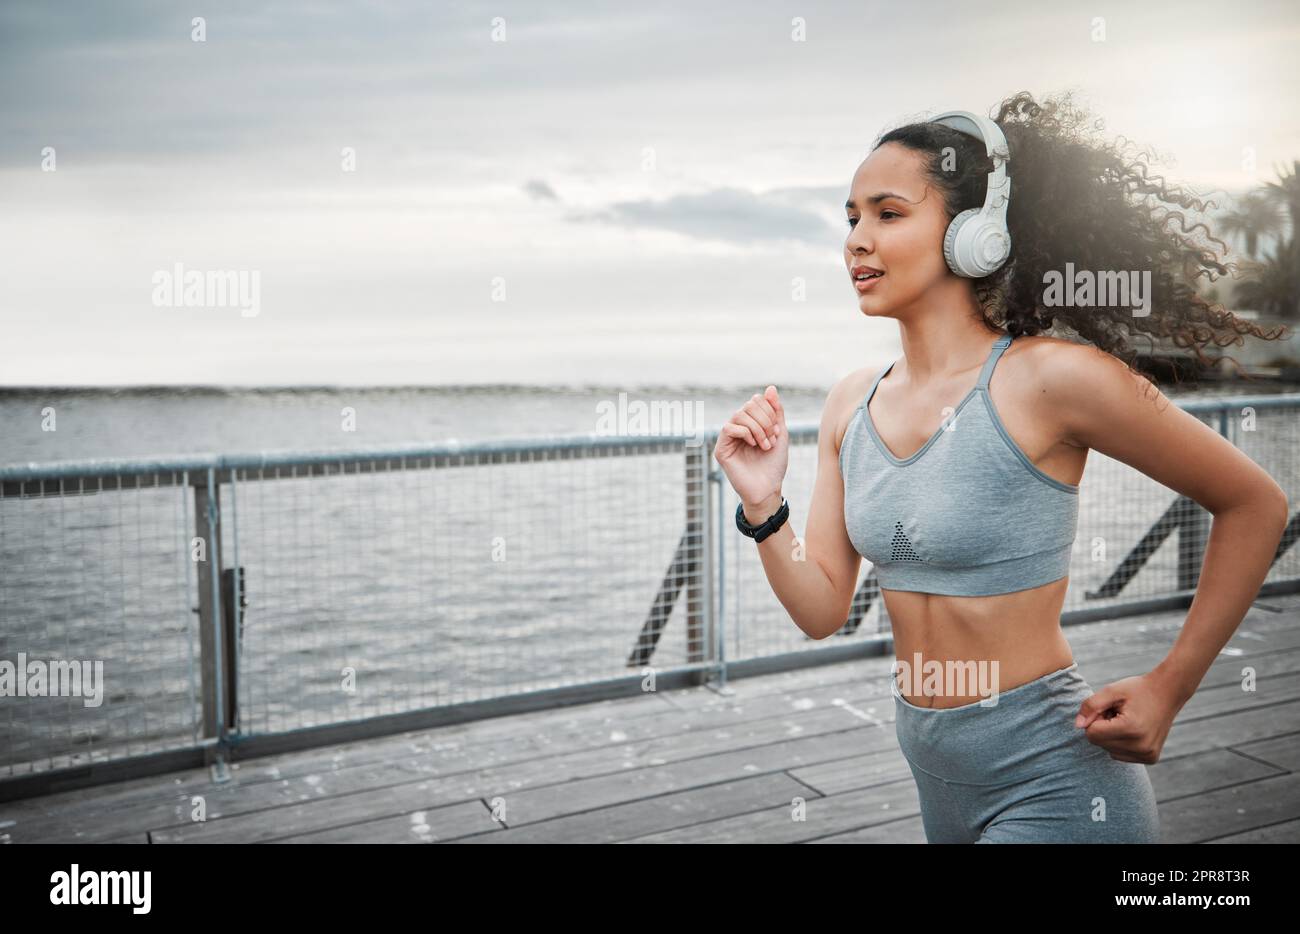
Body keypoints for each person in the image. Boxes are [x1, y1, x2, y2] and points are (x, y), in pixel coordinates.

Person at [713, 90, 1291, 843]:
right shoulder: (851, 404)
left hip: (1055, 781)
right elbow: (822, 611)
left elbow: (1255, 503)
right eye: (850, 217)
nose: (856, 239)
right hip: (937, 783)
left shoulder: (1054, 380)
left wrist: (1168, 687)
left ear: (975, 235)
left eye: (888, 214)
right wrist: (765, 506)